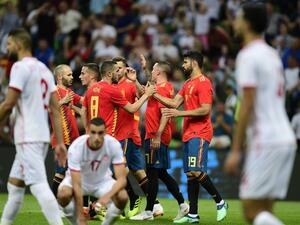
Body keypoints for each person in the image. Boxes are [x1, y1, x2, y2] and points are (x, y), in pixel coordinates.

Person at [225, 3, 296, 225]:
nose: (234, 22)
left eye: (237, 17)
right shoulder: (273, 54)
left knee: (251, 211)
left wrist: (235, 150)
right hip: (284, 137)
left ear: (246, 22)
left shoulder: (248, 55)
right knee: (265, 211)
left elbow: (247, 104)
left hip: (265, 140)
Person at [0, 28, 67, 225]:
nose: (7, 47)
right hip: (41, 135)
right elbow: (56, 109)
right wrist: (61, 142)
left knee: (38, 186)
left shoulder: (20, 68)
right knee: (15, 186)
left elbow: (8, 103)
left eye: (10, 43)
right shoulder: (44, 69)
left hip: (27, 136)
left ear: (19, 44)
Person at [153, 51, 228, 223]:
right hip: (188, 133)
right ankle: (193, 214)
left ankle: (220, 202)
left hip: (200, 132)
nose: (183, 65)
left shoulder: (203, 83)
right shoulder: (188, 83)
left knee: (196, 170)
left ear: (194, 63)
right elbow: (173, 103)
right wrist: (153, 94)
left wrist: (180, 113)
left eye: (185, 62)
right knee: (190, 175)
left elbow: (205, 109)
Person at [130, 61, 189, 221]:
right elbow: (145, 91)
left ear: (159, 73)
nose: (151, 72)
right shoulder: (162, 87)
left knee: (152, 173)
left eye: (153, 69)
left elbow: (165, 112)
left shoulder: (162, 88)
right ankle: (183, 204)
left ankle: (149, 211)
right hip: (154, 135)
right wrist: (136, 78)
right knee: (161, 173)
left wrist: (157, 135)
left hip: (156, 136)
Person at [112, 57, 164, 218]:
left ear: (126, 69)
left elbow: (145, 94)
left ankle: (131, 199)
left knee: (118, 169)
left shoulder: (128, 84)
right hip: (128, 134)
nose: (117, 71)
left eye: (120, 68)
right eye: (115, 68)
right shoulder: (114, 86)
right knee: (138, 172)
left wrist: (135, 80)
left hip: (125, 134)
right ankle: (155, 205)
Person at [57, 117, 128, 225]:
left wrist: (106, 197)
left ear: (105, 132)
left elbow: (122, 180)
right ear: (88, 132)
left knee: (123, 197)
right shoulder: (76, 147)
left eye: (100, 133)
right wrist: (81, 216)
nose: (97, 137)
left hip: (102, 182)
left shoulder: (113, 145)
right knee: (63, 194)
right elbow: (76, 184)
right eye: (93, 132)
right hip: (80, 181)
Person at [81, 60, 155, 134]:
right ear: (109, 74)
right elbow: (132, 109)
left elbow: (83, 110)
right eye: (116, 71)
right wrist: (147, 94)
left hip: (92, 134)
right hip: (107, 135)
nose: (118, 73)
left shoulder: (90, 89)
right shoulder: (112, 90)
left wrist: (87, 129)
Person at [50, 64, 83, 197]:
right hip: (61, 139)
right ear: (59, 77)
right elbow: (47, 109)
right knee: (61, 172)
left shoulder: (70, 92)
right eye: (68, 75)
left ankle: (71, 203)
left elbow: (84, 100)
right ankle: (53, 203)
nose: (72, 77)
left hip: (74, 140)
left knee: (74, 172)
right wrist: (62, 102)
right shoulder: (53, 92)